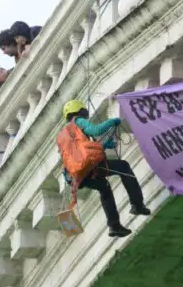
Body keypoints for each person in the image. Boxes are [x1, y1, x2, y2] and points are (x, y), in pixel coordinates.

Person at [60, 100, 150, 238]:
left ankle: (114, 226)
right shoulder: (78, 121)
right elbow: (96, 130)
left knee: (104, 187)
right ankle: (137, 205)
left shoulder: (65, 134)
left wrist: (103, 146)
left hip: (76, 175)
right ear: (79, 110)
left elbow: (81, 152)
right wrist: (112, 121)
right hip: (88, 167)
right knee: (123, 166)